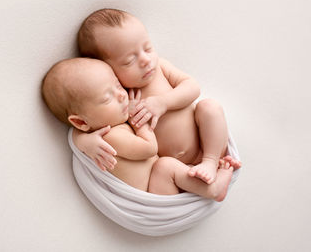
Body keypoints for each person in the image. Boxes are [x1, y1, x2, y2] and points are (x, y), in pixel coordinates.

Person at [76, 8, 241, 184]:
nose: (145, 60)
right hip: (176, 168)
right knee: (162, 166)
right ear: (107, 69)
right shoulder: (119, 97)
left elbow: (192, 87)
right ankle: (206, 178)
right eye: (129, 61)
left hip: (204, 143)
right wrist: (84, 142)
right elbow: (91, 124)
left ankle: (211, 161)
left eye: (147, 48)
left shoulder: (160, 68)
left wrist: (163, 102)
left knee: (210, 107)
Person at [42, 57, 239, 200]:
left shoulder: (110, 126)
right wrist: (140, 123)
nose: (121, 95)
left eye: (118, 86)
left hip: (164, 181)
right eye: (107, 98)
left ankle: (206, 170)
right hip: (157, 191)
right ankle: (213, 190)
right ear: (81, 122)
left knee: (168, 164)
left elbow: (77, 135)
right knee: (165, 165)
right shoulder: (111, 136)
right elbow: (149, 149)